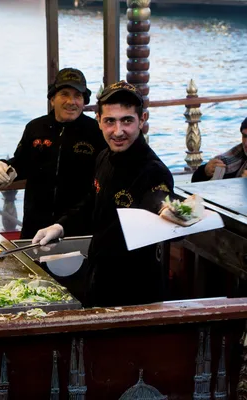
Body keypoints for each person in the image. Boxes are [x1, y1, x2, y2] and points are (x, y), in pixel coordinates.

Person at [32, 81, 175, 307]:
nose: (118, 131)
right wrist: (60, 226)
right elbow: (92, 202)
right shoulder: (103, 157)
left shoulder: (153, 171)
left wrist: (170, 210)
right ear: (98, 121)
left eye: (127, 120)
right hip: (99, 274)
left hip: (137, 290)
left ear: (142, 120)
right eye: (110, 121)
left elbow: (159, 199)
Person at [0, 68, 106, 239]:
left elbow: (103, 181)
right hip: (35, 226)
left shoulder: (97, 132)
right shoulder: (35, 128)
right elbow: (21, 164)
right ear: (52, 98)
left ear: (84, 101)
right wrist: (1, 165)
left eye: (77, 95)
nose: (71, 101)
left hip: (77, 229)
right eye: (64, 94)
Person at [191, 117, 247, 182]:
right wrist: (205, 172)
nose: (246, 143)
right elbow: (195, 182)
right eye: (245, 136)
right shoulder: (235, 157)